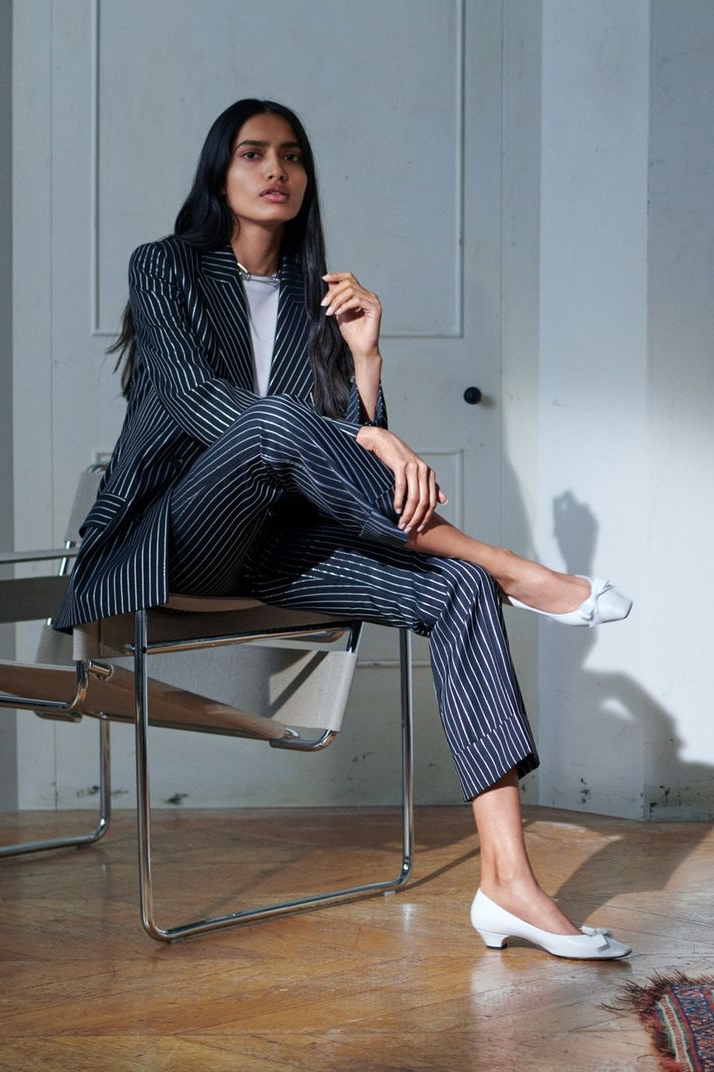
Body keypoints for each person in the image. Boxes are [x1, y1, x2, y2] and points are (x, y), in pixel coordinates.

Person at [54, 99, 632, 959]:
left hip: (279, 546)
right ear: (221, 170)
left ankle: (508, 881)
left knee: (456, 589)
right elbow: (200, 405)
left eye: (291, 156)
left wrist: (366, 357)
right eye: (253, 154)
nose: (275, 170)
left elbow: (357, 465)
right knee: (271, 423)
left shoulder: (318, 294)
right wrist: (358, 432)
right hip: (173, 541)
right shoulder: (165, 266)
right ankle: (507, 562)